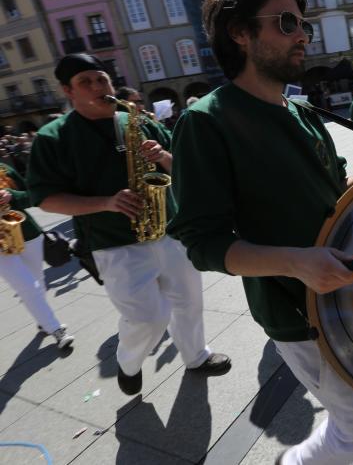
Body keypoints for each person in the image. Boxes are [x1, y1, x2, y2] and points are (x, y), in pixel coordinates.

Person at [166, 0, 353, 465]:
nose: (301, 34)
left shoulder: (300, 112)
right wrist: (298, 263)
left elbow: (331, 196)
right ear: (240, 32)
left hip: (347, 290)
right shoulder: (205, 122)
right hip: (297, 310)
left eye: (303, 24)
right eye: (285, 22)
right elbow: (202, 242)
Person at [25, 53, 230, 396]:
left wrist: (162, 156)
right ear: (68, 91)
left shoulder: (137, 119)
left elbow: (183, 167)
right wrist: (106, 202)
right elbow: (45, 199)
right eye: (85, 82)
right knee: (148, 318)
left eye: (101, 80)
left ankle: (196, 356)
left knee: (190, 301)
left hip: (170, 230)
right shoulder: (53, 137)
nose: (97, 87)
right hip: (114, 242)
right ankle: (128, 363)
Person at [1, 162, 74, 349]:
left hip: (28, 233)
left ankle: (43, 321)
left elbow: (31, 197)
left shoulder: (4, 168)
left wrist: (12, 196)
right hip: (2, 244)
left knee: (38, 281)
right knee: (27, 286)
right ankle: (56, 329)